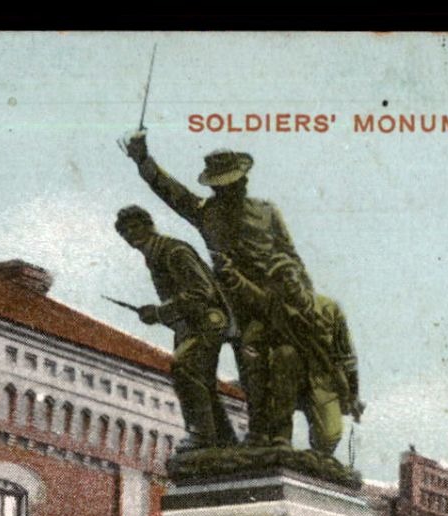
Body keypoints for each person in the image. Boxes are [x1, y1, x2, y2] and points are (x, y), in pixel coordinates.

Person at [122, 134, 310, 444]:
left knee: (273, 366)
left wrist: (299, 297)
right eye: (221, 185)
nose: (228, 189)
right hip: (231, 303)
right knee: (247, 367)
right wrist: (144, 161)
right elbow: (172, 192)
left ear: (243, 180)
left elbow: (290, 256)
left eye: (232, 183)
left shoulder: (267, 212)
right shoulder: (206, 211)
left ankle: (272, 435)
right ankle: (250, 435)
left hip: (270, 299)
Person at [113, 205, 237, 449]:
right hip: (189, 325)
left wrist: (160, 312)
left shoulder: (173, 250)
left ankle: (202, 434)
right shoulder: (156, 254)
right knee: (201, 381)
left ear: (149, 225)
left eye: (135, 228)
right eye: (125, 233)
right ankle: (224, 439)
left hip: (205, 322)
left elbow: (202, 291)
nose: (131, 236)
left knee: (185, 368)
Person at [216, 254, 362, 455]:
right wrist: (231, 276)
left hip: (323, 382)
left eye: (290, 276)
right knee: (285, 354)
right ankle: (281, 435)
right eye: (281, 280)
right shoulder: (277, 308)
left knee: (327, 440)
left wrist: (353, 395)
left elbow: (348, 358)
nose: (288, 282)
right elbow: (253, 294)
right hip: (290, 377)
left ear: (301, 278)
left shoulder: (330, 309)